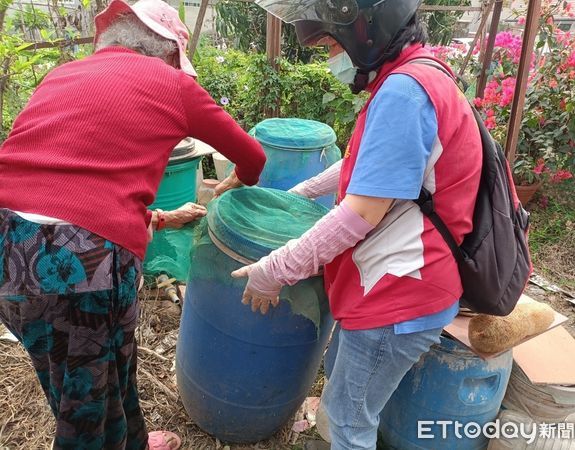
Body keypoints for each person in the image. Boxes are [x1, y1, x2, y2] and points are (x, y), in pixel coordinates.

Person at [0, 0, 265, 448]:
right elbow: (253, 158)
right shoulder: (172, 84)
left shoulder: (61, 74)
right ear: (168, 54)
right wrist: (235, 182)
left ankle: (133, 440)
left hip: (9, 244)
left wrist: (160, 217)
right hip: (83, 263)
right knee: (83, 409)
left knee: (84, 372)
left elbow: (73, 181)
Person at [231, 0, 483, 448]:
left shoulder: (406, 94)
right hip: (397, 282)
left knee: (350, 420)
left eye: (331, 45)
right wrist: (295, 196)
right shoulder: (417, 75)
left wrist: (276, 269)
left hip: (399, 291)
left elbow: (361, 212)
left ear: (366, 29)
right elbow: (366, 166)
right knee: (347, 396)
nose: (331, 59)